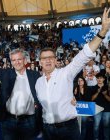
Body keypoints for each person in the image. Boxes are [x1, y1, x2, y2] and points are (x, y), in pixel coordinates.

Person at [35, 8, 110, 140]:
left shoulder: (66, 73)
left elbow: (84, 55)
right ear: (39, 62)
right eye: (44, 58)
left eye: (51, 57)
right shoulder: (38, 83)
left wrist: (103, 31)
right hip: (48, 130)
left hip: (69, 130)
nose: (48, 60)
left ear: (55, 60)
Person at [91, 73, 110, 140]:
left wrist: (105, 95)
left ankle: (106, 138)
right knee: (96, 126)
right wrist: (97, 92)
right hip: (96, 109)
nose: (99, 79)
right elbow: (92, 99)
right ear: (96, 79)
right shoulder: (94, 87)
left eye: (101, 78)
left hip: (107, 109)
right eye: (98, 78)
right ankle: (96, 138)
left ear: (104, 79)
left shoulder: (107, 87)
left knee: (106, 126)